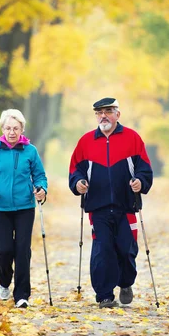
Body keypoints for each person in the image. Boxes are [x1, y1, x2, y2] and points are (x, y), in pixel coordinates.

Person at [69, 97, 153, 308]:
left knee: (126, 249)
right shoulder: (86, 141)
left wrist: (140, 182)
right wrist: (78, 183)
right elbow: (75, 170)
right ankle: (104, 295)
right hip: (98, 206)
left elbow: (145, 169)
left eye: (108, 111)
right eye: (99, 112)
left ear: (117, 114)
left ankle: (125, 283)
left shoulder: (132, 138)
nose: (103, 116)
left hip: (127, 206)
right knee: (102, 249)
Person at [0, 109, 47, 308]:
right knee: (5, 249)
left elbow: (40, 176)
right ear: (2, 129)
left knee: (22, 250)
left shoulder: (30, 151)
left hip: (25, 207)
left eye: (15, 128)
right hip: (1, 208)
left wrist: (42, 190)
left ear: (22, 129)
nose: (12, 132)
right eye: (8, 128)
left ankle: (22, 295)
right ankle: (4, 283)